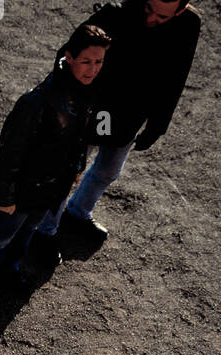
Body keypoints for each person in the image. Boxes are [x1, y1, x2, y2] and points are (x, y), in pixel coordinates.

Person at [32, 0, 201, 258]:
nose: (151, 18)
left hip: (130, 113)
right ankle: (44, 231)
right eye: (148, 9)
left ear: (180, 10)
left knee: (109, 171)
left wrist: (158, 124)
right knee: (67, 171)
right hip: (92, 107)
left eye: (161, 16)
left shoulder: (189, 24)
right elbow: (67, 55)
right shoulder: (115, 13)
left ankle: (78, 212)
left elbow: (177, 75)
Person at [0, 24, 111, 292]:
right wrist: (4, 197)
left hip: (52, 186)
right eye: (86, 61)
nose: (93, 69)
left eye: (98, 62)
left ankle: (7, 270)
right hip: (26, 187)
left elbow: (81, 139)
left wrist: (76, 168)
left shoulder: (87, 93)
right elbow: (10, 152)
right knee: (0, 234)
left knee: (25, 233)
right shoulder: (37, 101)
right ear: (69, 57)